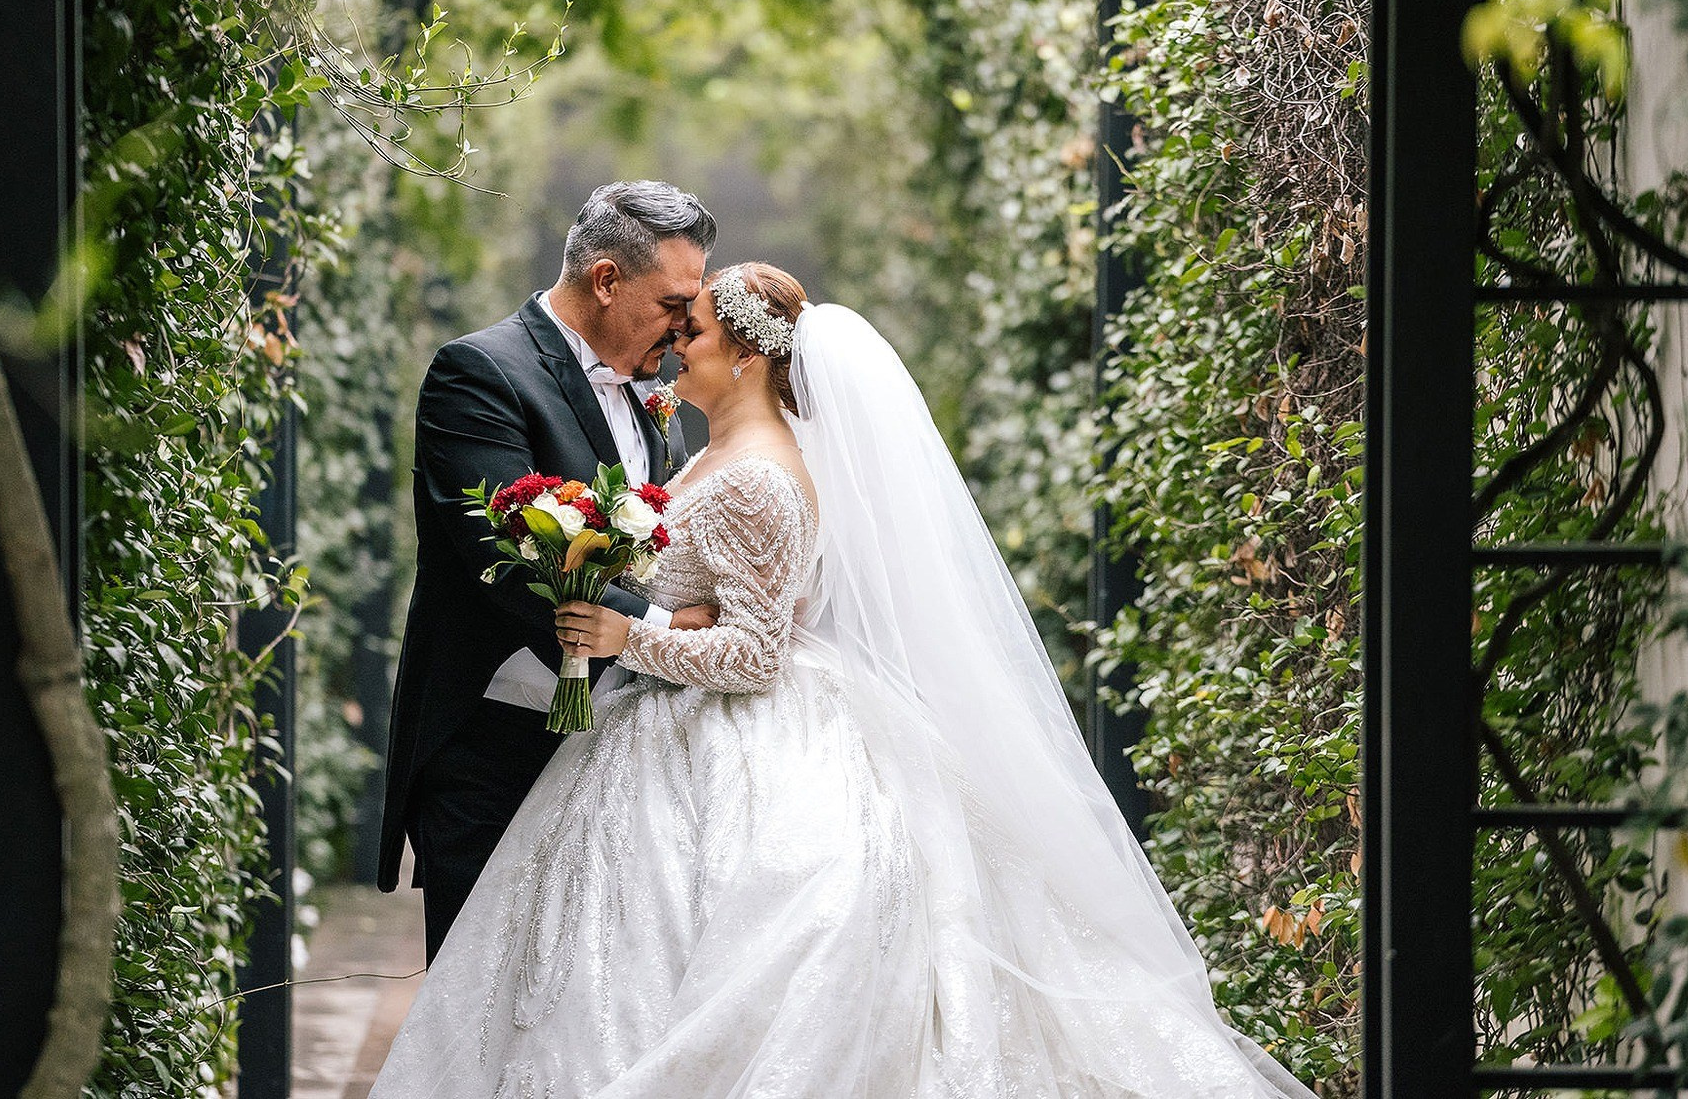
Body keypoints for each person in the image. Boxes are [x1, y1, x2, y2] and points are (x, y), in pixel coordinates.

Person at [371, 262, 1319, 1098]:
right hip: (668, 725)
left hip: (739, 736)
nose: (674, 343)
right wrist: (668, 617)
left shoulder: (758, 477)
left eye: (692, 329)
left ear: (746, 357)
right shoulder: (714, 457)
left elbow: (755, 654)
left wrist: (629, 631)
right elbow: (734, 606)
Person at [377, 180, 723, 962]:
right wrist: (667, 631)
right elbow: (510, 558)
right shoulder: (480, 373)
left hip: (617, 754)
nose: (685, 327)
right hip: (494, 754)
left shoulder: (646, 394)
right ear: (606, 280)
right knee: (478, 1001)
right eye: (673, 304)